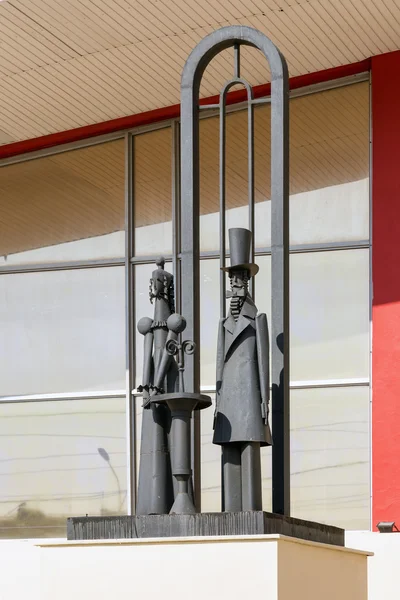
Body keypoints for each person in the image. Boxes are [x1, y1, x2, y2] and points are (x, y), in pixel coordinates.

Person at [213, 228, 272, 511]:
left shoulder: (258, 318)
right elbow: (218, 366)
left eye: (240, 278)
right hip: (229, 399)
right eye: (232, 278)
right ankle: (231, 510)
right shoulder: (222, 324)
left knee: (249, 447)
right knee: (229, 451)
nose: (236, 284)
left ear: (247, 282)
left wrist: (264, 401)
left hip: (248, 394)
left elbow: (263, 360)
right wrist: (218, 399)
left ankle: (250, 509)